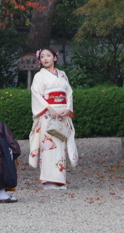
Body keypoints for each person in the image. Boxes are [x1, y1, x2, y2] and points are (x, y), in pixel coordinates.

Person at [28, 48, 78, 190]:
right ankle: (48, 179)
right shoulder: (39, 76)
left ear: (55, 58)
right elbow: (36, 94)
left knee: (61, 145)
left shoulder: (63, 75)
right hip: (47, 115)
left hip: (62, 114)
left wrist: (68, 108)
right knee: (48, 146)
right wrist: (49, 108)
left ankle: (60, 180)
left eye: (48, 56)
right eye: (42, 56)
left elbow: (69, 92)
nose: (45, 59)